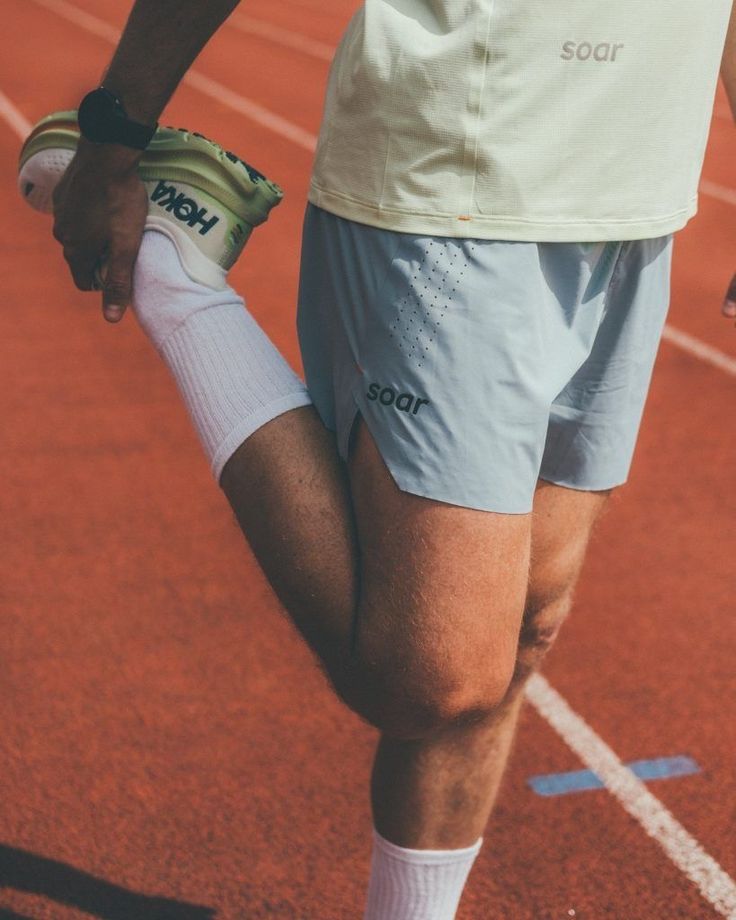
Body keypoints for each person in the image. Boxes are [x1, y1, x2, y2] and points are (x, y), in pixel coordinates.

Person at [42, 1, 736, 917]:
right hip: (459, 187)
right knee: (432, 677)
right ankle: (177, 276)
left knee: (524, 628)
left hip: (636, 201)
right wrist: (116, 131)